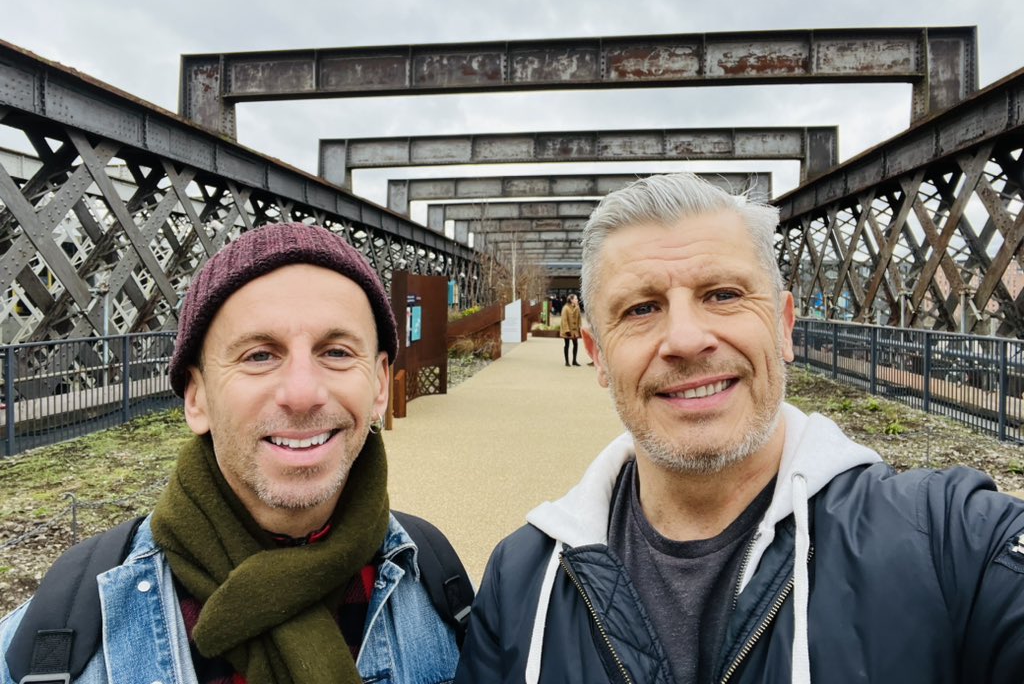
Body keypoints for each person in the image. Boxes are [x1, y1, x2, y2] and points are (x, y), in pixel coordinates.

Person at [454, 173, 1024, 684]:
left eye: (723, 295)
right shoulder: (520, 580)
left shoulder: (951, 543)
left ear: (784, 326)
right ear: (597, 357)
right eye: (641, 309)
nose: (685, 339)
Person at [0, 223, 462, 684]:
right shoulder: (50, 640)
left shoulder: (445, 591)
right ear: (196, 398)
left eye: (337, 352)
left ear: (380, 384)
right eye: (259, 355)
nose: (302, 393)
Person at [559, 293, 583, 367]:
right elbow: (564, 320)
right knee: (567, 345)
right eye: (576, 299)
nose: (577, 300)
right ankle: (567, 362)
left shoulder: (577, 307)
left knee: (575, 344)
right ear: (571, 300)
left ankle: (574, 361)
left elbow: (579, 319)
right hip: (568, 330)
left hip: (575, 330)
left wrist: (580, 327)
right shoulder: (565, 308)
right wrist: (567, 330)